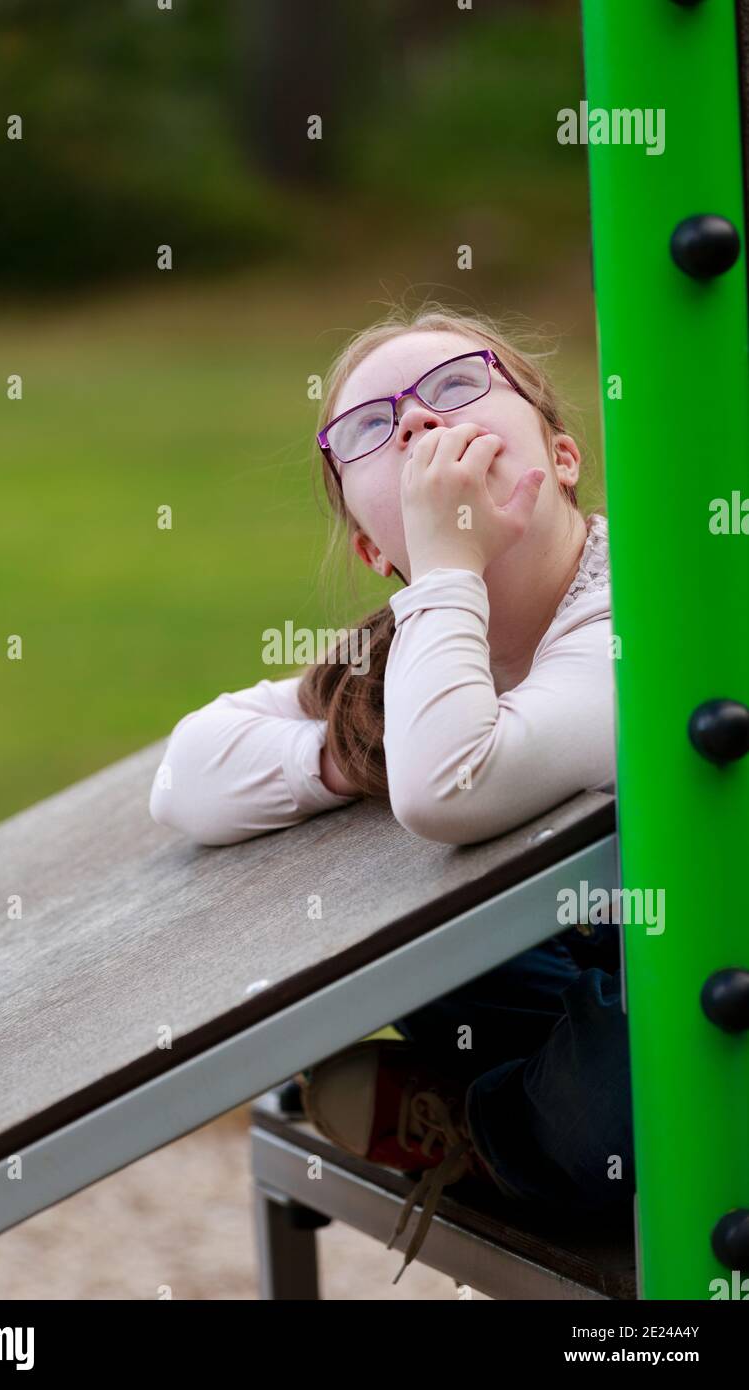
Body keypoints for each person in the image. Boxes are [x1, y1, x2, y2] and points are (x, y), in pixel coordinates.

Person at [149, 304, 634, 1284]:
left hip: (695, 970)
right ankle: (504, 1082)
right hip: (584, 952)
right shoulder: (401, 647)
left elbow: (448, 786)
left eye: (457, 384)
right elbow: (186, 777)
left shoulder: (627, 610)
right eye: (367, 428)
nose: (415, 420)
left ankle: (481, 1123)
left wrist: (448, 565)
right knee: (400, 948)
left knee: (610, 1105)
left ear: (564, 458)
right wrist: (341, 760)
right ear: (377, 550)